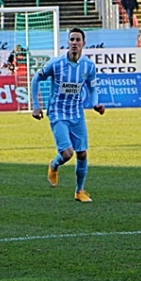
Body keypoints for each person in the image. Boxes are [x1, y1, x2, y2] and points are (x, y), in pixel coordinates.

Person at [31, 27, 105, 202]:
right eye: (71, 39)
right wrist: (36, 105)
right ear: (68, 42)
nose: (74, 43)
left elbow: (93, 87)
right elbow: (36, 78)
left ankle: (79, 191)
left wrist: (95, 103)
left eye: (77, 40)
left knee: (82, 154)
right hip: (57, 112)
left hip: (76, 113)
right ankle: (54, 164)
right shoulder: (56, 64)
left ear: (83, 44)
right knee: (67, 153)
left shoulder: (89, 66)